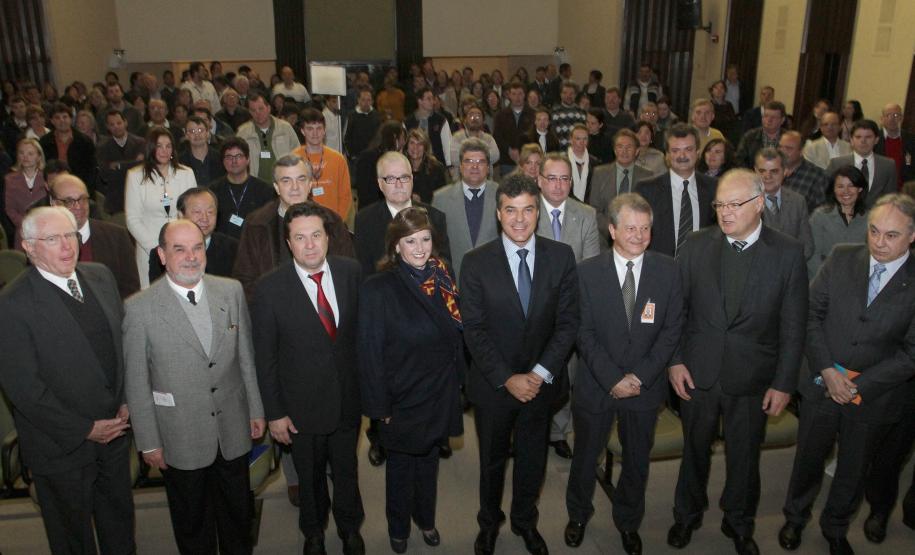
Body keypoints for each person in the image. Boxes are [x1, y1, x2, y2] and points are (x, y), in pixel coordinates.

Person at [666, 169, 807, 555]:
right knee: (694, 449)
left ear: (759, 204)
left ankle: (739, 521)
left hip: (753, 377)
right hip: (698, 372)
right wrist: (675, 360)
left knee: (745, 456)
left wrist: (784, 383)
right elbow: (677, 310)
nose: (725, 213)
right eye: (719, 205)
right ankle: (687, 514)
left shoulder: (788, 252)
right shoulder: (696, 245)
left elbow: (794, 326)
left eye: (734, 204)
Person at [779, 194, 915, 555]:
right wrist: (828, 369)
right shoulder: (841, 257)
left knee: (853, 470)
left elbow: (911, 353)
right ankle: (795, 517)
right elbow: (810, 314)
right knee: (808, 457)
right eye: (873, 231)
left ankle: (835, 527)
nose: (879, 242)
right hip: (824, 382)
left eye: (891, 235)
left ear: (912, 236)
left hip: (874, 395)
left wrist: (858, 385)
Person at [0, 206, 136, 555]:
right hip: (60, 445)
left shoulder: (100, 276)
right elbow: (25, 390)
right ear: (28, 247)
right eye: (52, 238)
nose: (66, 246)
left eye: (71, 235)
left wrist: (126, 400)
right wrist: (86, 429)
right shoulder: (11, 305)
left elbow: (121, 348)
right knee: (72, 539)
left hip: (114, 434)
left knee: (119, 525)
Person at [124, 219, 264, 554]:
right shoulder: (139, 309)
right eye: (179, 249)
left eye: (197, 247)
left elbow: (245, 356)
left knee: (237, 515)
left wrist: (256, 409)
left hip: (231, 426)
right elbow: (137, 382)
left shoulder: (230, 292)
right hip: (179, 435)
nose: (191, 256)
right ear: (162, 255)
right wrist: (148, 442)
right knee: (192, 522)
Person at [461, 174, 579, 555]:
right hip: (494, 387)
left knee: (532, 461)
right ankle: (489, 524)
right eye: (510, 210)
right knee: (492, 462)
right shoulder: (476, 262)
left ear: (538, 212)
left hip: (541, 386)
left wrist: (538, 375)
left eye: (528, 209)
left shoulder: (560, 257)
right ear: (498, 214)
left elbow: (568, 324)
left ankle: (525, 521)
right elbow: (474, 330)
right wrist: (507, 378)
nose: (519, 219)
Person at [564, 193, 684, 554]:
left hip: (645, 389)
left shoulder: (669, 270)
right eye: (630, 227)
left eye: (645, 229)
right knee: (586, 456)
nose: (638, 235)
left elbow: (672, 331)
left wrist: (642, 378)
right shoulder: (586, 272)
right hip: (597, 385)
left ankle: (628, 522)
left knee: (636, 461)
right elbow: (581, 333)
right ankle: (578, 515)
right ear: (612, 229)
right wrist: (613, 379)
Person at [253, 202, 366, 555]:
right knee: (310, 476)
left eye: (316, 235)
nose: (310, 244)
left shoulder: (351, 272)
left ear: (328, 237)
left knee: (347, 472)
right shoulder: (269, 288)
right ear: (288, 243)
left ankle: (350, 529)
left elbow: (362, 338)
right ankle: (313, 533)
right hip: (300, 408)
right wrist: (274, 413)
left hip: (348, 400)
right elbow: (265, 358)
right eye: (300, 238)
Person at [358, 206, 463, 553]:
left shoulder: (443, 276)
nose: (419, 248)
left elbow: (457, 334)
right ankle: (398, 527)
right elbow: (369, 353)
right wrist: (379, 407)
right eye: (410, 241)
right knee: (401, 469)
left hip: (438, 392)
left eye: (425, 239)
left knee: (429, 464)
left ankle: (426, 519)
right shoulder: (378, 288)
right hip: (401, 398)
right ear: (396, 247)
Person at [536, 152, 600, 458]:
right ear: (540, 180)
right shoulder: (527, 211)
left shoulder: (585, 213)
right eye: (552, 178)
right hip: (534, 310)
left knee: (567, 373)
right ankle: (531, 429)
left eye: (565, 178)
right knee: (534, 370)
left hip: (571, 309)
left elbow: (589, 268)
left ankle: (558, 431)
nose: (559, 185)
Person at [233, 154, 354, 304]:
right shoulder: (257, 224)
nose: (295, 187)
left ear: (310, 184)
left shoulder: (331, 222)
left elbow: (348, 273)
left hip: (324, 308)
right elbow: (245, 278)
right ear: (276, 187)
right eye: (286, 181)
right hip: (274, 311)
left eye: (301, 179)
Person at [124, 126, 197, 288]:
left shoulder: (187, 173)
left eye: (168, 146)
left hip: (182, 247)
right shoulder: (135, 176)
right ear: (151, 148)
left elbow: (192, 212)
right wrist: (156, 248)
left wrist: (178, 245)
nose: (164, 150)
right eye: (159, 146)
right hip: (149, 248)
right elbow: (132, 219)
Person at [49, 174, 139, 298]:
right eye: (69, 201)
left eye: (82, 199)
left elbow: (131, 291)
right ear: (54, 203)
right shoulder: (43, 242)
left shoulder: (117, 237)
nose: (78, 206)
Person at [635, 123, 718, 258]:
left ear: (698, 152)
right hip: (659, 269)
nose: (682, 155)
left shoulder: (714, 188)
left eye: (688, 149)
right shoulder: (646, 190)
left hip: (701, 270)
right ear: (667, 155)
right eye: (675, 150)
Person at [431, 138, 501, 281]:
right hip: (454, 280)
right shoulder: (440, 199)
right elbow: (434, 244)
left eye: (480, 162)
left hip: (495, 279)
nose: (474, 167)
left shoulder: (503, 195)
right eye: (469, 161)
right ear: (461, 166)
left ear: (488, 167)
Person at [147, 187, 239, 281]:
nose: (205, 218)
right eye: (197, 212)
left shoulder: (234, 248)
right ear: (181, 216)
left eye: (210, 212)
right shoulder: (162, 254)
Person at [291, 108, 354, 221]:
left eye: (319, 128)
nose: (315, 133)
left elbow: (345, 195)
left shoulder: (338, 159)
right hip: (302, 221)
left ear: (324, 130)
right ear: (302, 131)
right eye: (310, 129)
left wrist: (338, 222)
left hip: (332, 221)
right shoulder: (294, 159)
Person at [208, 137, 276, 239]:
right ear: (223, 161)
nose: (234, 161)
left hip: (256, 243)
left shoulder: (265, 190)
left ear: (248, 159)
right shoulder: (212, 191)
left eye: (238, 156)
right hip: (223, 246)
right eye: (229, 157)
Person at [807, 165, 867, 279]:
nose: (846, 191)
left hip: (860, 282)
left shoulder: (871, 218)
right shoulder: (819, 217)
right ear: (833, 190)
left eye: (851, 186)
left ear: (860, 189)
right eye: (840, 186)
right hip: (824, 281)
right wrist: (829, 280)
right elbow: (813, 256)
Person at [755, 147, 815, 260]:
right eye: (762, 171)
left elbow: (807, 246)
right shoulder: (745, 202)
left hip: (790, 270)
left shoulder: (798, 201)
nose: (767, 176)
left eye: (774, 171)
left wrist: (788, 266)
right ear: (755, 171)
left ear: (785, 171)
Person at [826, 119, 897, 209]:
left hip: (875, 218)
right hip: (843, 216)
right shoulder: (836, 164)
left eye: (868, 137)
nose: (863, 141)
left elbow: (891, 197)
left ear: (876, 140)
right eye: (858, 137)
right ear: (851, 140)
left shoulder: (888, 165)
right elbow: (828, 193)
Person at [236, 92, 300, 183]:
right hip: (255, 184)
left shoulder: (285, 128)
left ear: (268, 108)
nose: (258, 113)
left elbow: (297, 154)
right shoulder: (243, 132)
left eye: (261, 108)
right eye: (253, 110)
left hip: (284, 182)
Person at [95, 109, 146, 214]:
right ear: (107, 127)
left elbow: (142, 167)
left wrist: (118, 166)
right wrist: (132, 163)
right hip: (116, 199)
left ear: (125, 123)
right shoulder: (102, 147)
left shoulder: (140, 142)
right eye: (112, 124)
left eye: (119, 123)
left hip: (138, 195)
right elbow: (104, 173)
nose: (116, 127)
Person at [39, 103, 96, 193]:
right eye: (57, 118)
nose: (62, 120)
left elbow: (91, 170)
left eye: (65, 117)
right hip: (52, 188)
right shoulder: (44, 142)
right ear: (52, 121)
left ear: (71, 119)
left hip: (78, 187)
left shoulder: (85, 142)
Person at [5, 137, 47, 249]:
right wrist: (25, 224)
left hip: (46, 230)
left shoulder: (47, 177)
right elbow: (10, 209)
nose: (25, 157)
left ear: (39, 157)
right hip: (23, 231)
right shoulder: (9, 179)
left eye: (30, 153)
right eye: (21, 153)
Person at [355, 121, 406, 210]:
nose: (404, 141)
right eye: (402, 137)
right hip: (373, 209)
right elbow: (366, 191)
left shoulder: (367, 156)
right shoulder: (368, 158)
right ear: (395, 137)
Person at [493, 82, 535, 176]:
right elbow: (497, 136)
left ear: (524, 95)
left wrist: (523, 152)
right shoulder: (500, 115)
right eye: (514, 94)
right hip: (507, 160)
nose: (517, 97)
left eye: (520, 94)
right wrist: (509, 150)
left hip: (528, 159)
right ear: (509, 96)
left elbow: (534, 136)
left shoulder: (533, 114)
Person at [405, 87, 452, 168]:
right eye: (428, 99)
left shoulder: (441, 120)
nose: (433, 102)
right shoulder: (408, 122)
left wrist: (449, 165)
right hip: (412, 164)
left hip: (436, 164)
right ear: (420, 101)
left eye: (433, 99)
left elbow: (447, 144)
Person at [736, 100, 786, 168]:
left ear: (782, 120)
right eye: (766, 116)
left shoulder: (789, 139)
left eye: (773, 117)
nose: (769, 120)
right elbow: (739, 160)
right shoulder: (749, 137)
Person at [874, 103, 915, 186]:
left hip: (903, 189)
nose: (892, 119)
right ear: (882, 119)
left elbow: (909, 162)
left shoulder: (911, 140)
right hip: (878, 187)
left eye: (896, 115)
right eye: (888, 115)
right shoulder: (874, 138)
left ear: (901, 118)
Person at [178, 115, 225, 186]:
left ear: (208, 133)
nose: (197, 135)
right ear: (186, 135)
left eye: (200, 130)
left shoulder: (221, 158)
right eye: (192, 131)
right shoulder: (179, 162)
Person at [405, 128, 448, 203]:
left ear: (425, 148)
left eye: (420, 144)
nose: (415, 147)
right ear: (407, 146)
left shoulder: (437, 168)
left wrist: (422, 201)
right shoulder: (399, 167)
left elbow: (442, 196)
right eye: (412, 143)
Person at [343, 86, 381, 163]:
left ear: (372, 101)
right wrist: (351, 155)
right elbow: (346, 137)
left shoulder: (376, 116)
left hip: (373, 157)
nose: (366, 103)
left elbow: (379, 136)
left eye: (368, 100)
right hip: (356, 158)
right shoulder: (351, 116)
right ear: (358, 100)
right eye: (363, 100)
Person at [567, 124, 600, 203]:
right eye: (578, 139)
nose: (581, 142)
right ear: (570, 140)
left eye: (585, 139)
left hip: (589, 206)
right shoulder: (562, 161)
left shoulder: (595, 163)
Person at [551, 83, 587, 151]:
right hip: (560, 152)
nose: (568, 96)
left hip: (578, 151)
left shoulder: (582, 112)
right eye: (565, 93)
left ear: (575, 95)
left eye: (571, 93)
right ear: (560, 94)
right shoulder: (554, 112)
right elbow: (552, 136)